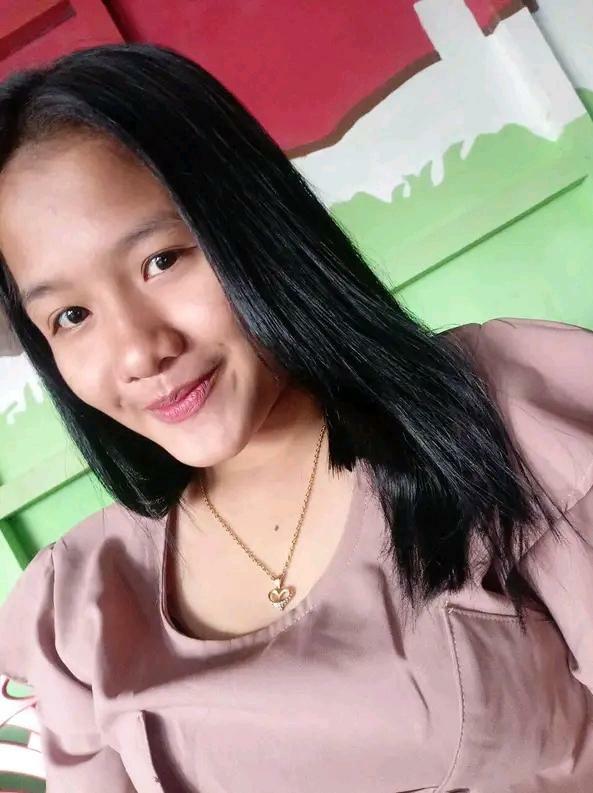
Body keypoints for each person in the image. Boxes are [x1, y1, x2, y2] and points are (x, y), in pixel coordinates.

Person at [0, 42, 591, 793]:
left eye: (161, 261)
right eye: (72, 315)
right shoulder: (79, 605)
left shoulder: (497, 415)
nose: (139, 352)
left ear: (254, 222)